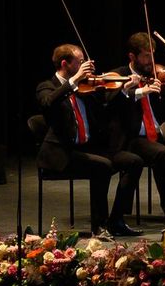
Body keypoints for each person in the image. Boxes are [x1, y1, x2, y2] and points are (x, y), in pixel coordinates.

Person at [36, 44, 145, 236]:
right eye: (80, 62)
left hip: (91, 148)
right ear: (65, 64)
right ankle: (98, 225)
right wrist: (73, 81)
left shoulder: (86, 87)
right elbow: (47, 103)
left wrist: (124, 90)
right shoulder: (47, 86)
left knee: (134, 161)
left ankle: (116, 220)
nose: (85, 66)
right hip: (64, 152)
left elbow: (106, 108)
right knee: (102, 166)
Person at [109, 32, 165, 228]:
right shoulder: (118, 76)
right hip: (130, 138)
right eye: (146, 56)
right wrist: (137, 92)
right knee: (161, 153)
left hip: (156, 135)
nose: (150, 61)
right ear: (132, 56)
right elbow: (108, 104)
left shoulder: (155, 78)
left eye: (152, 55)